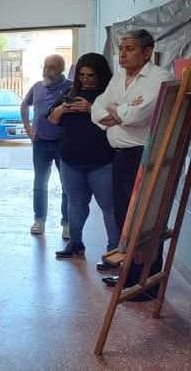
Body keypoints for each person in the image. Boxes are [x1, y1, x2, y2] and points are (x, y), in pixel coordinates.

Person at [91, 29, 174, 299]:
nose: (123, 54)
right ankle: (130, 275)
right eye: (121, 49)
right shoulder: (119, 77)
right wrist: (119, 110)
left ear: (147, 52)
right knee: (125, 219)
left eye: (130, 48)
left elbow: (138, 115)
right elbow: (97, 109)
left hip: (145, 156)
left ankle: (147, 282)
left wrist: (118, 110)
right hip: (120, 156)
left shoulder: (160, 78)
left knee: (145, 220)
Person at [48, 53, 119, 268]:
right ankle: (75, 243)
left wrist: (91, 109)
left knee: (109, 207)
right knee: (76, 204)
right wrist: (63, 108)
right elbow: (52, 119)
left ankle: (114, 250)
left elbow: (117, 121)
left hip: (102, 161)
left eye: (91, 75)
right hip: (71, 160)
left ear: (101, 75)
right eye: (82, 75)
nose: (86, 79)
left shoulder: (110, 96)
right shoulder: (70, 93)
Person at [21, 54, 72, 236]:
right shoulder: (37, 87)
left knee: (67, 184)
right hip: (40, 142)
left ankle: (67, 223)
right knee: (40, 183)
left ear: (61, 69)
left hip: (63, 143)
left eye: (52, 67)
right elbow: (24, 105)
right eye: (45, 66)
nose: (47, 70)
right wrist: (28, 128)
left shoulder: (71, 88)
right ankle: (39, 220)